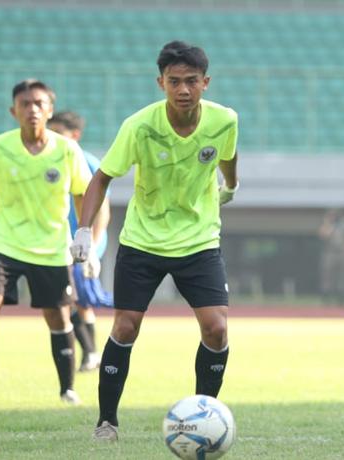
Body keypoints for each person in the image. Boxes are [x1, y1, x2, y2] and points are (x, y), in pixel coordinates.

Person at [71, 41, 239, 442]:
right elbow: (102, 177)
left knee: (216, 329)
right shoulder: (139, 125)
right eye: (175, 81)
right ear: (160, 82)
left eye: (192, 81)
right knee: (126, 327)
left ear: (206, 83)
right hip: (143, 241)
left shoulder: (226, 120)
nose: (183, 89)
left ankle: (203, 419)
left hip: (198, 241)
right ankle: (107, 422)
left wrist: (231, 184)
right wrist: (82, 229)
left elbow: (228, 155)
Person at [0, 79, 92, 405]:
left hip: (52, 247)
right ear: (13, 110)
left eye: (38, 103)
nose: (32, 109)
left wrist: (83, 234)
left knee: (58, 317)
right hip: (6, 243)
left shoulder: (67, 150)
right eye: (25, 104)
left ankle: (67, 389)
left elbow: (82, 194)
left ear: (49, 109)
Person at [48, 111, 114, 372]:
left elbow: (103, 209)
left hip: (85, 242)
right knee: (69, 298)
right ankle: (91, 353)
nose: (52, 137)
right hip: (58, 241)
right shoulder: (50, 160)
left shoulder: (87, 162)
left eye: (57, 132)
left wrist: (93, 248)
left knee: (79, 297)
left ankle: (90, 353)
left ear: (74, 135)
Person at [318, 208, 344, 306]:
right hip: (330, 253)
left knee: (343, 276)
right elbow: (323, 235)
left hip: (342, 253)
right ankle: (326, 298)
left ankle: (342, 299)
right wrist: (328, 223)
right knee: (328, 276)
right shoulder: (328, 224)